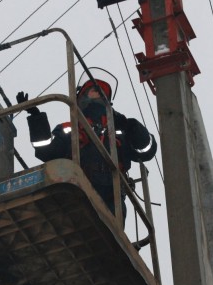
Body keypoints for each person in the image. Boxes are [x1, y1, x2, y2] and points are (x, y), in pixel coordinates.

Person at [17, 78, 157, 223]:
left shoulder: (119, 132)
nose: (98, 93)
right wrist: (36, 117)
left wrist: (130, 125)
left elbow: (147, 150)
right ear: (82, 97)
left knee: (110, 231)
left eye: (102, 92)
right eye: (94, 90)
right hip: (77, 192)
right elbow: (46, 151)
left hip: (112, 196)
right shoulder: (69, 129)